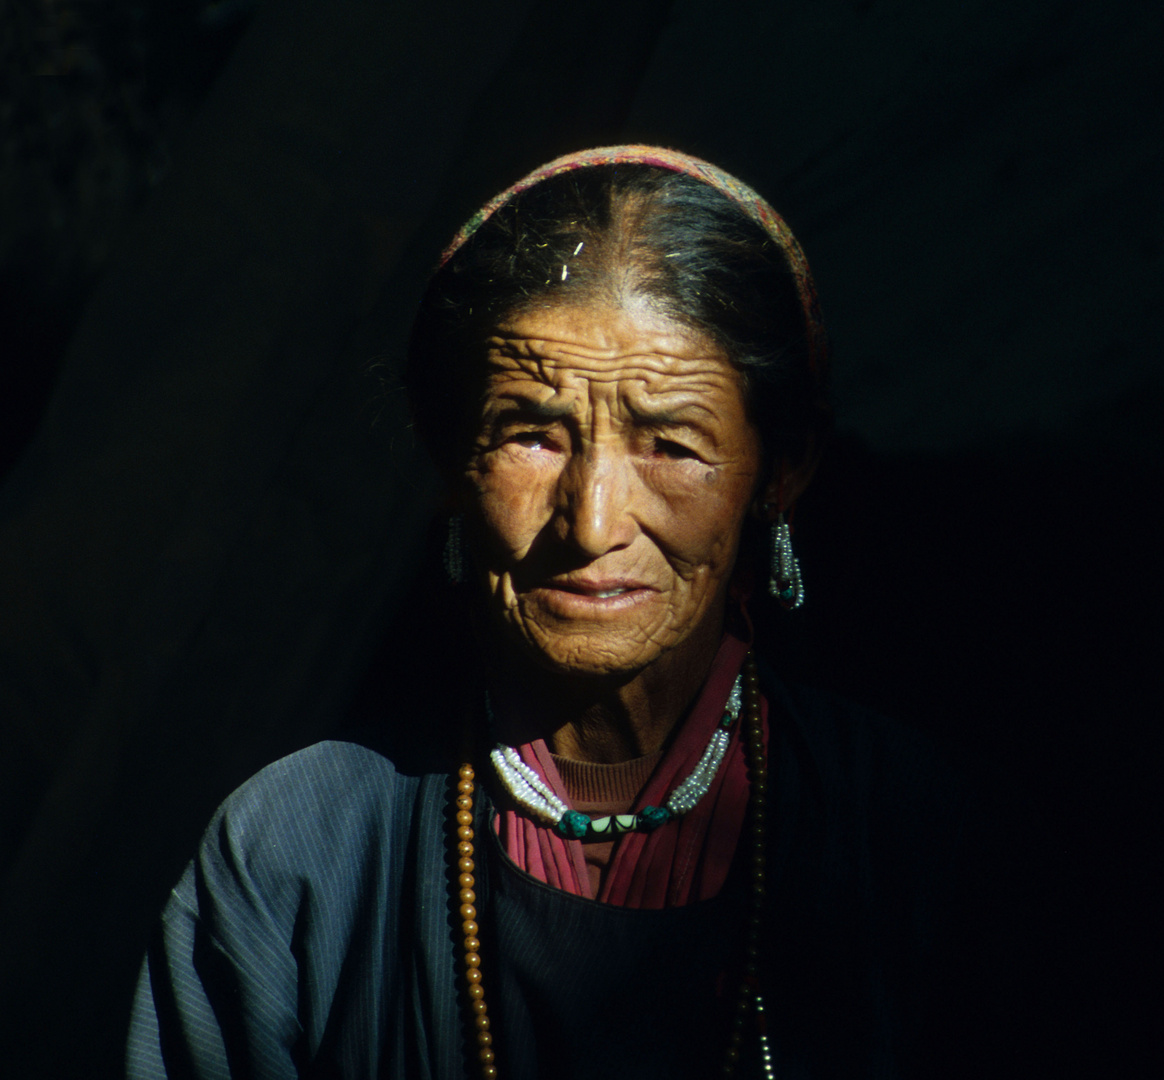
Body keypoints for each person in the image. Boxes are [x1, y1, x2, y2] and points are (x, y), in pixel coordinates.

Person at [126, 147, 946, 1080]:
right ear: (448, 465)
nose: (593, 523)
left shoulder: (922, 844)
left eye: (672, 444)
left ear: (780, 473)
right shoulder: (295, 853)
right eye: (531, 437)